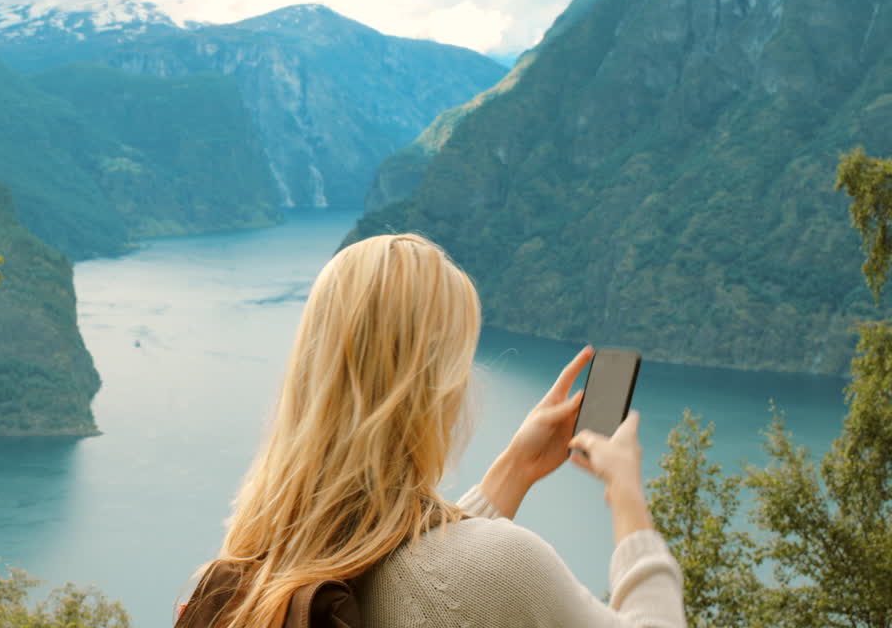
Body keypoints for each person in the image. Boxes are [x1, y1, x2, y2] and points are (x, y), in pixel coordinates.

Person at [201, 233, 685, 627]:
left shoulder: (250, 567)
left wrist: (516, 469)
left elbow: (403, 567)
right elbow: (444, 587)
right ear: (432, 385)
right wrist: (627, 497)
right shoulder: (502, 568)